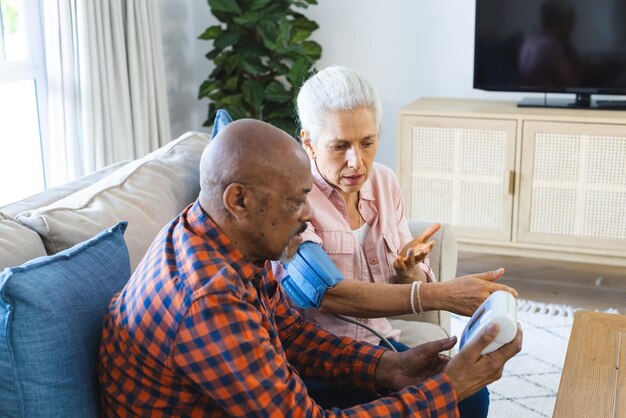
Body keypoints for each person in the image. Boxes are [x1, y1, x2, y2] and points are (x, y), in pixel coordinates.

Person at [97, 118, 522, 416]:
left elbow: (291, 331)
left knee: (459, 399)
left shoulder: (220, 233)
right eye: (296, 200)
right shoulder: (208, 300)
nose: (306, 214)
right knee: (456, 397)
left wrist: (388, 368)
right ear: (238, 200)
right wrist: (450, 387)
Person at [271, 67, 516, 413]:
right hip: (317, 362)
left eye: (367, 143)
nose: (357, 161)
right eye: (340, 146)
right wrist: (441, 294)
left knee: (473, 395)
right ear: (309, 142)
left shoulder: (384, 182)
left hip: (377, 347)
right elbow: (324, 291)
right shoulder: (295, 196)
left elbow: (410, 280)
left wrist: (409, 271)